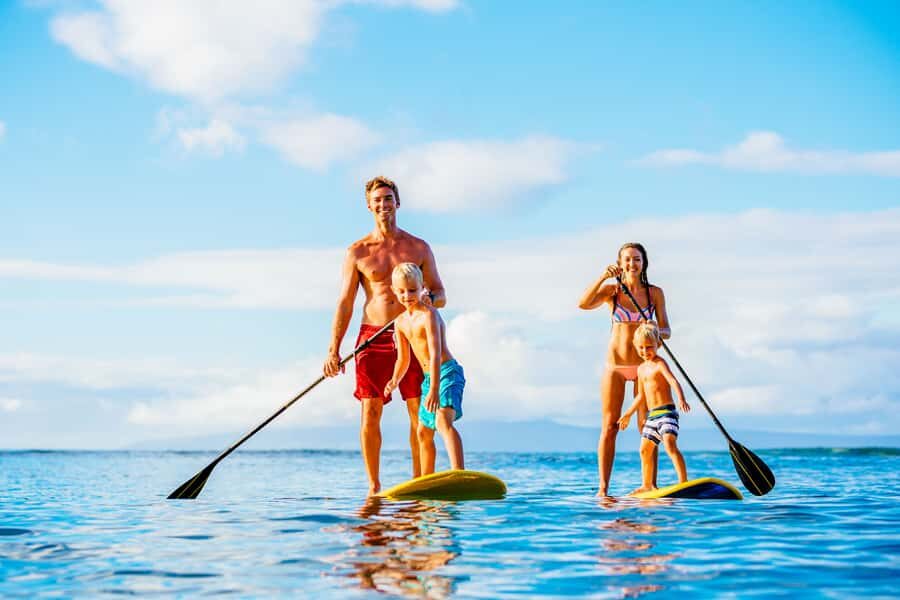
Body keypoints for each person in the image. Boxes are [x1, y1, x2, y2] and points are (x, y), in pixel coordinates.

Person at [323, 176, 446, 497]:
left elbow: (440, 292)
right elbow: (346, 302)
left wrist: (428, 300)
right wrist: (333, 350)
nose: (383, 205)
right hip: (371, 338)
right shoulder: (358, 252)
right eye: (377, 200)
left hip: (412, 333)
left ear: (397, 203)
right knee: (371, 411)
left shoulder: (418, 247)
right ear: (368, 206)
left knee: (419, 410)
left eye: (388, 198)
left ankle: (421, 481)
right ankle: (374, 486)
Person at [578, 242, 671, 497]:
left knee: (648, 425)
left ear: (644, 263)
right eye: (627, 259)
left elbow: (667, 330)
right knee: (609, 426)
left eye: (637, 259)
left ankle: (649, 485)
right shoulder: (613, 291)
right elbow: (583, 304)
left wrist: (654, 331)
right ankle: (603, 489)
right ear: (620, 263)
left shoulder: (655, 294)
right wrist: (602, 277)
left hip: (645, 367)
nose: (632, 264)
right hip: (616, 367)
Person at [384, 263, 465, 476]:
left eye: (412, 290)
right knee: (422, 431)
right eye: (401, 291)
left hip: (446, 372)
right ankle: (426, 479)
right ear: (394, 290)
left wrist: (434, 389)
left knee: (441, 421)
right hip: (429, 379)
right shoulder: (400, 322)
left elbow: (435, 353)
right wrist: (394, 380)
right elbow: (403, 359)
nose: (407, 295)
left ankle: (458, 473)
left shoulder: (429, 315)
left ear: (422, 288)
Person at [618, 322, 690, 494]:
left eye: (649, 347)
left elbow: (673, 381)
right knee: (644, 450)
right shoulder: (641, 369)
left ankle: (683, 482)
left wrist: (681, 398)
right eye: (641, 348)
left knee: (670, 444)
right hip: (652, 416)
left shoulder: (660, 364)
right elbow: (641, 396)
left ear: (658, 344)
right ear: (636, 347)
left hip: (667, 413)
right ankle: (647, 484)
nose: (645, 351)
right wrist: (627, 414)